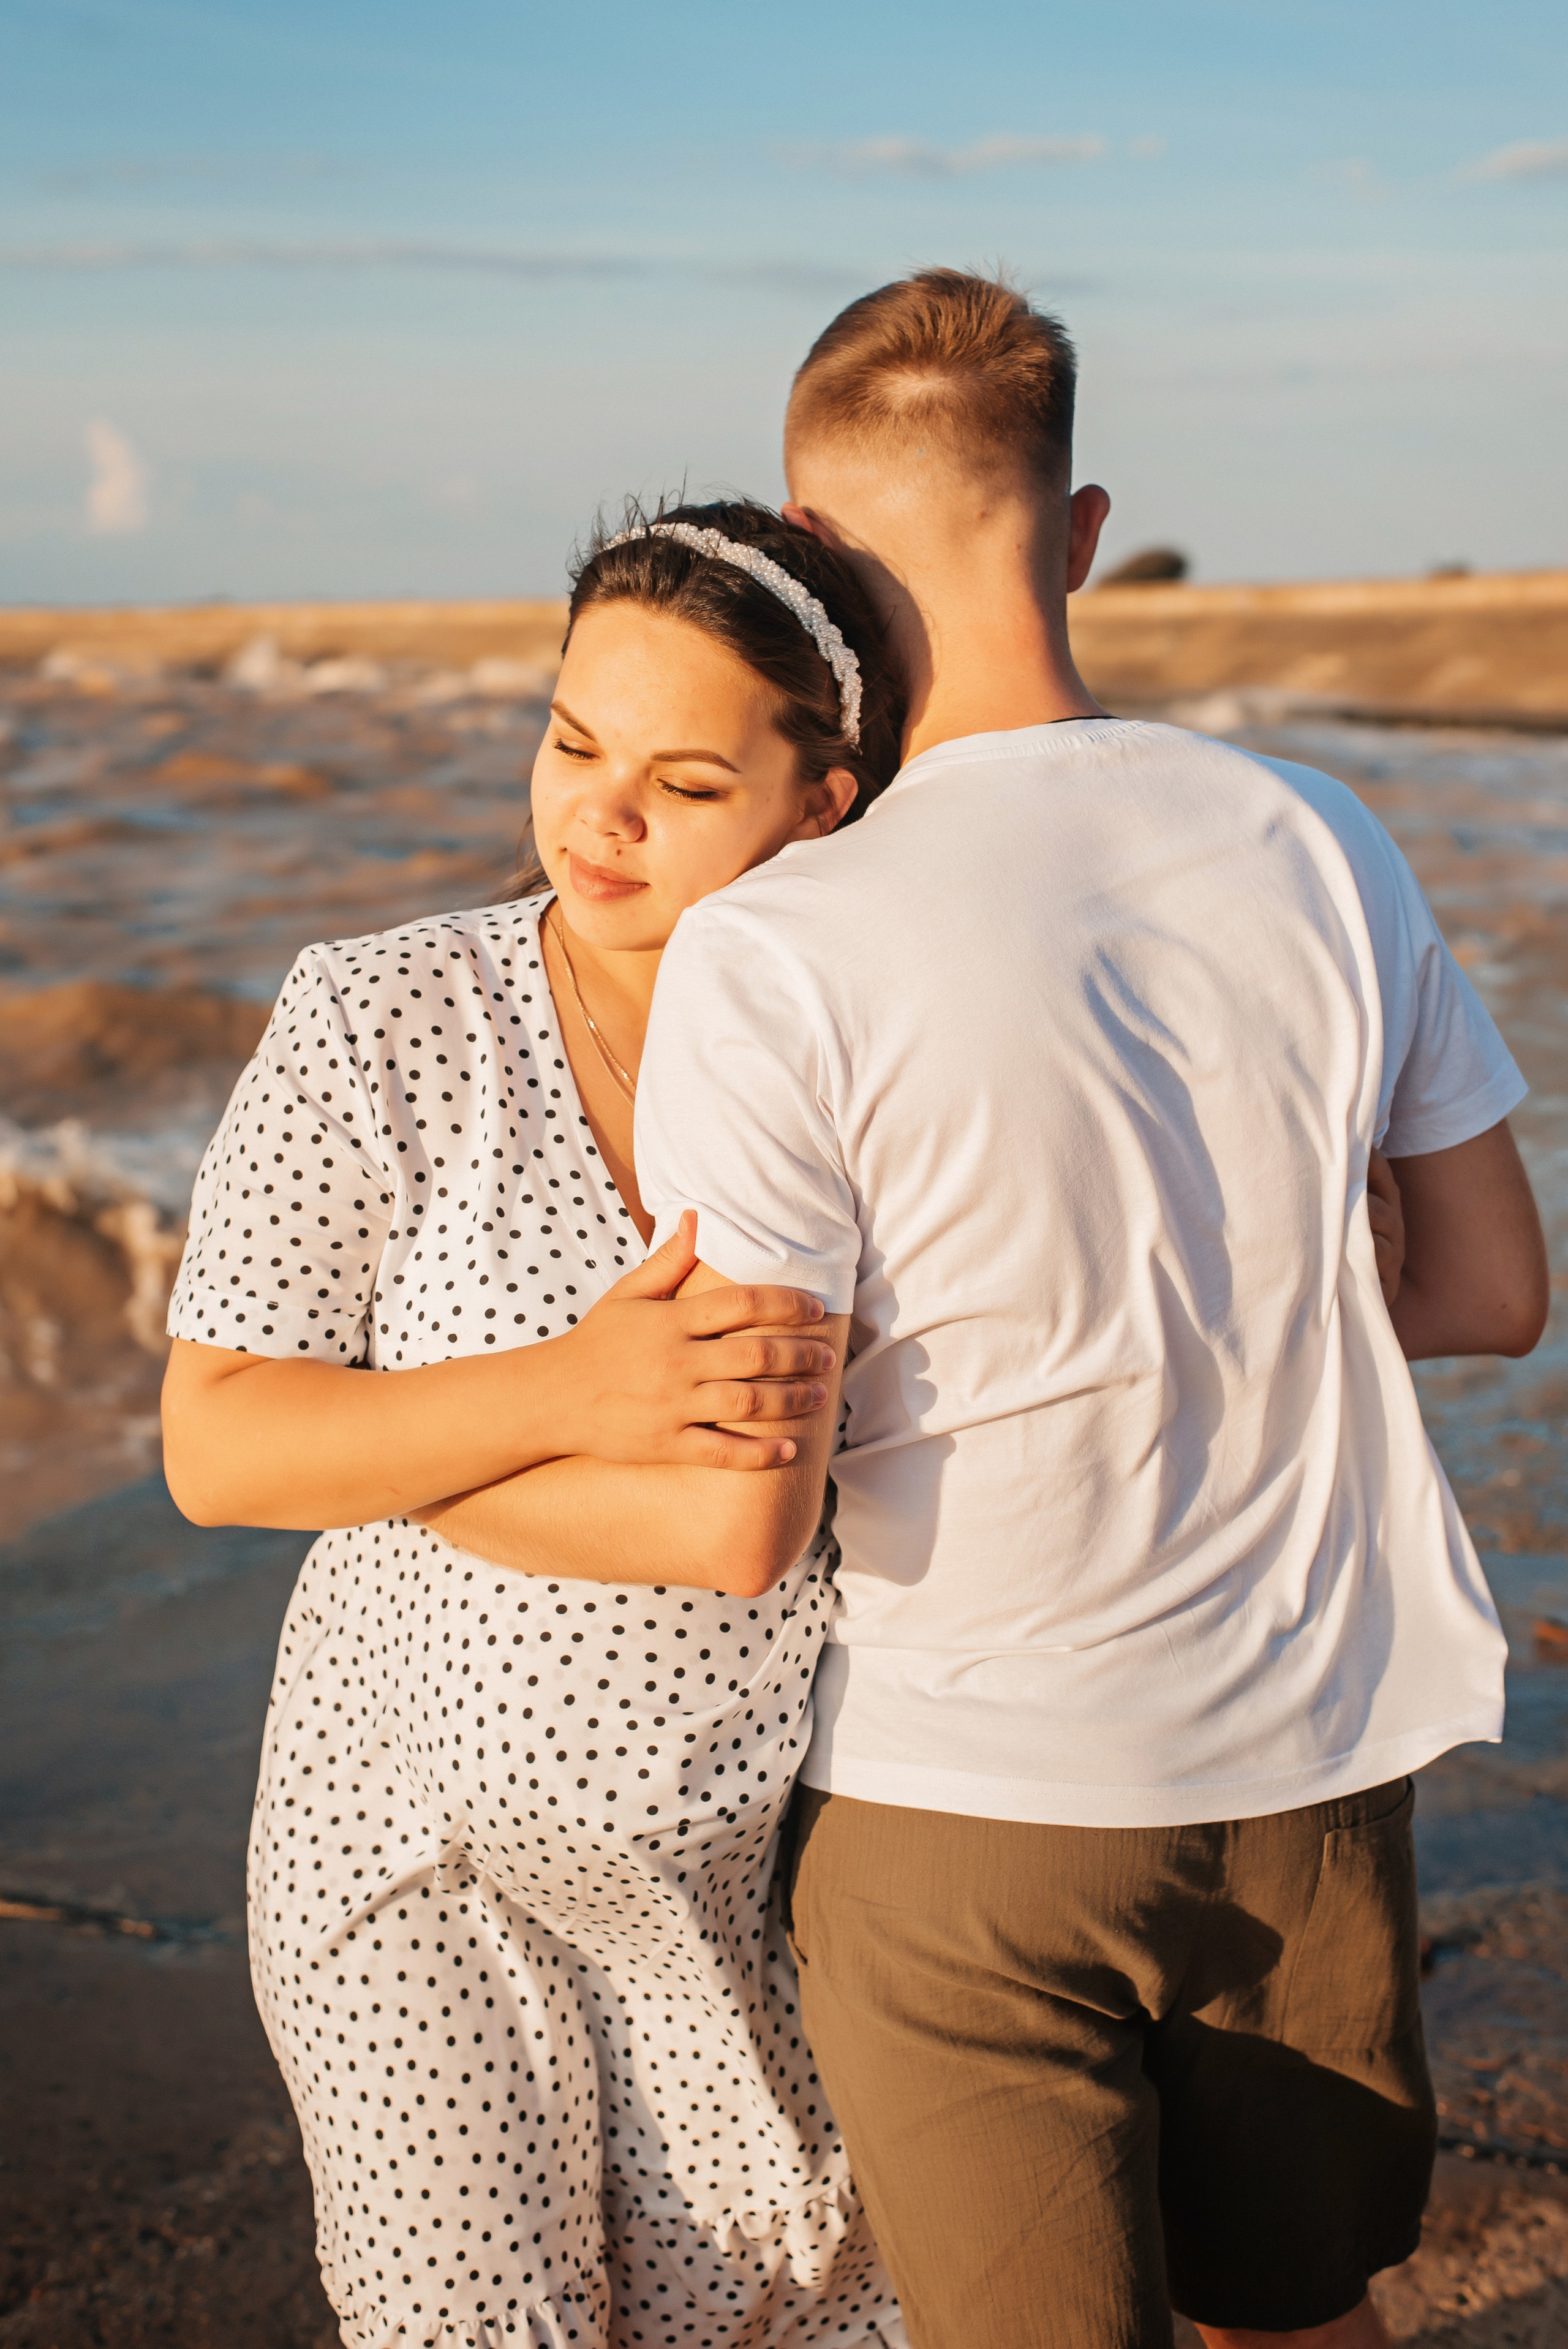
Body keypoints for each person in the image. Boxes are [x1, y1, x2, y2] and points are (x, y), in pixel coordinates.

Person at [605, 273, 1548, 2348]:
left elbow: (742, 1459)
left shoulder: (776, 946)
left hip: (976, 1802)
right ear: (1086, 523)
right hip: (1311, 1769)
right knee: (1306, 2318)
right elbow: (1494, 1290)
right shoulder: (1326, 836)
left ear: (822, 561)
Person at [159, 500, 915, 2349]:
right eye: (572, 744)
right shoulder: (385, 1019)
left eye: (681, 781)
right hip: (409, 1850)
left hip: (730, 1886)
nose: (599, 819)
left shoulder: (873, 1051)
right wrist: (572, 1391)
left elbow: (764, 1518)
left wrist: (426, 1469)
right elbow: (226, 1442)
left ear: (822, 800)